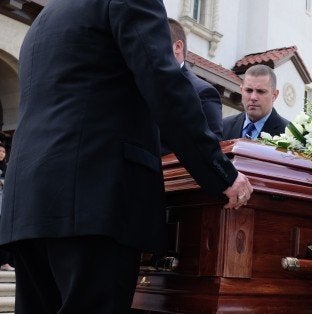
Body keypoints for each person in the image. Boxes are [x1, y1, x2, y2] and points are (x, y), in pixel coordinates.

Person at [0, 1, 253, 313]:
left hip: (30, 202)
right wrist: (219, 172)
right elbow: (164, 83)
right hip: (94, 197)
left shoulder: (49, 15)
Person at [168, 18, 224, 139]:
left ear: (177, 47)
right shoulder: (144, 84)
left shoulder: (203, 93)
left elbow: (212, 149)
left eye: (157, 44)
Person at [222, 64, 289, 140]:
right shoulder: (224, 126)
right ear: (241, 90)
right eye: (249, 90)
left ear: (274, 95)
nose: (253, 97)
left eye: (260, 91)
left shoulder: (289, 134)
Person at [0, 143, 13, 272]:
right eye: (0, 151)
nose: (2, 153)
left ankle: (4, 262)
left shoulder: (7, 168)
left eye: (3, 151)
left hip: (4, 205)